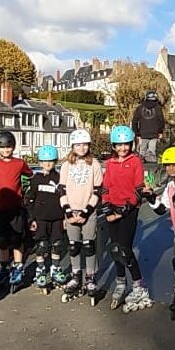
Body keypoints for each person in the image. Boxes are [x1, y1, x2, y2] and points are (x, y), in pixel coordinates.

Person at [102, 124, 152, 311]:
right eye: (119, 145)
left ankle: (139, 285)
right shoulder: (110, 164)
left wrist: (123, 211)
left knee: (124, 249)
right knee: (115, 249)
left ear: (131, 144)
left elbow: (138, 188)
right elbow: (106, 188)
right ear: (113, 146)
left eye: (126, 144)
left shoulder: (135, 161)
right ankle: (121, 281)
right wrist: (107, 208)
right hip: (113, 208)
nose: (123, 148)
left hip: (129, 210)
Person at [0, 130, 32, 291]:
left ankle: (18, 267)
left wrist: (27, 195)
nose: (5, 150)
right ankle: (4, 268)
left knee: (17, 240)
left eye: (8, 147)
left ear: (13, 147)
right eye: (2, 148)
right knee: (2, 242)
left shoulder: (20, 163)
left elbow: (30, 177)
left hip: (16, 208)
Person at [59, 128, 104, 304]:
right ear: (73, 146)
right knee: (73, 246)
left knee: (89, 245)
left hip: (89, 212)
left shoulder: (94, 164)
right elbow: (62, 190)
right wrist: (69, 211)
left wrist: (86, 211)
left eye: (85, 144)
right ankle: (76, 275)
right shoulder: (65, 165)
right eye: (78, 144)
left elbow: (98, 190)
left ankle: (90, 277)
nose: (82, 147)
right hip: (71, 211)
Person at [148, 145, 175, 317]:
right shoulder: (170, 186)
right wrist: (151, 198)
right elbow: (162, 209)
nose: (171, 168)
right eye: (168, 165)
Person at [27, 145, 68, 293]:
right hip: (40, 219)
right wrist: (31, 219)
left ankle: (55, 268)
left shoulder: (59, 178)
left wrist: (65, 217)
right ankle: (40, 270)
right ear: (39, 162)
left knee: (56, 244)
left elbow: (65, 198)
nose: (47, 164)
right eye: (44, 161)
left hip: (57, 218)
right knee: (42, 245)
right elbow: (29, 199)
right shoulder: (35, 179)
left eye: (50, 161)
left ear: (55, 161)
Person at [131, 90, 166, 164]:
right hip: (154, 133)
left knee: (142, 153)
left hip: (142, 134)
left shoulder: (139, 108)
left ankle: (140, 169)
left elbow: (134, 121)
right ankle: (151, 170)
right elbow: (161, 121)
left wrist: (137, 133)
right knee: (152, 152)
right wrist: (160, 131)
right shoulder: (158, 108)